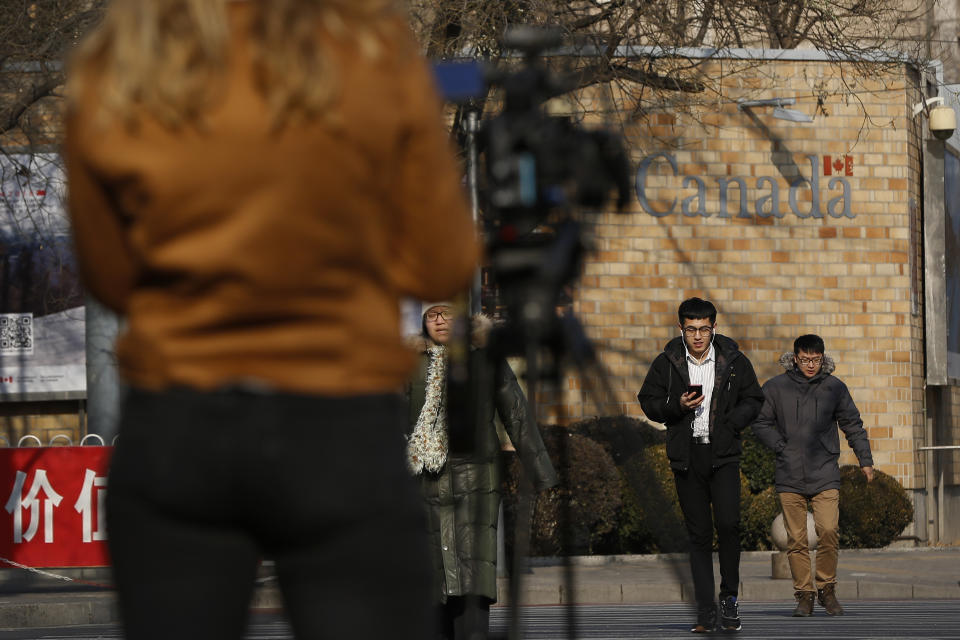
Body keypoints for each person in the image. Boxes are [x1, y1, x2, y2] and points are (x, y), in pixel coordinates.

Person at [64, 1, 480, 639]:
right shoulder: (369, 53)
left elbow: (112, 279)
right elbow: (439, 260)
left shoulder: (121, 64)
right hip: (337, 424)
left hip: (178, 427)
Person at [406, 302, 558, 640]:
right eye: (432, 315)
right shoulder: (409, 365)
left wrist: (541, 472)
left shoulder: (486, 358)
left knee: (473, 573)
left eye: (446, 313)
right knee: (434, 579)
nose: (440, 321)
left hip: (477, 480)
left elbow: (515, 412)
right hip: (425, 482)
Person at [637, 297, 764, 634]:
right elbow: (647, 400)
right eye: (690, 329)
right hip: (687, 456)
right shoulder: (667, 362)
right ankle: (706, 609)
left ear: (714, 328)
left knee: (729, 525)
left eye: (703, 329)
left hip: (723, 455)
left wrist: (733, 422)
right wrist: (675, 405)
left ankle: (730, 598)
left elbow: (755, 399)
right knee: (699, 536)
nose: (697, 336)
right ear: (681, 329)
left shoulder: (734, 360)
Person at [750, 334, 874, 617]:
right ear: (795, 358)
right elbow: (760, 421)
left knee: (829, 531)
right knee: (796, 540)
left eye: (815, 360)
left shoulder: (834, 388)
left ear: (823, 358)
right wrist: (780, 446)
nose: (810, 365)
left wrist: (865, 460)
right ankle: (804, 595)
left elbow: (853, 425)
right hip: (789, 473)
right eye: (805, 359)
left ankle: (827, 589)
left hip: (824, 471)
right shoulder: (775, 388)